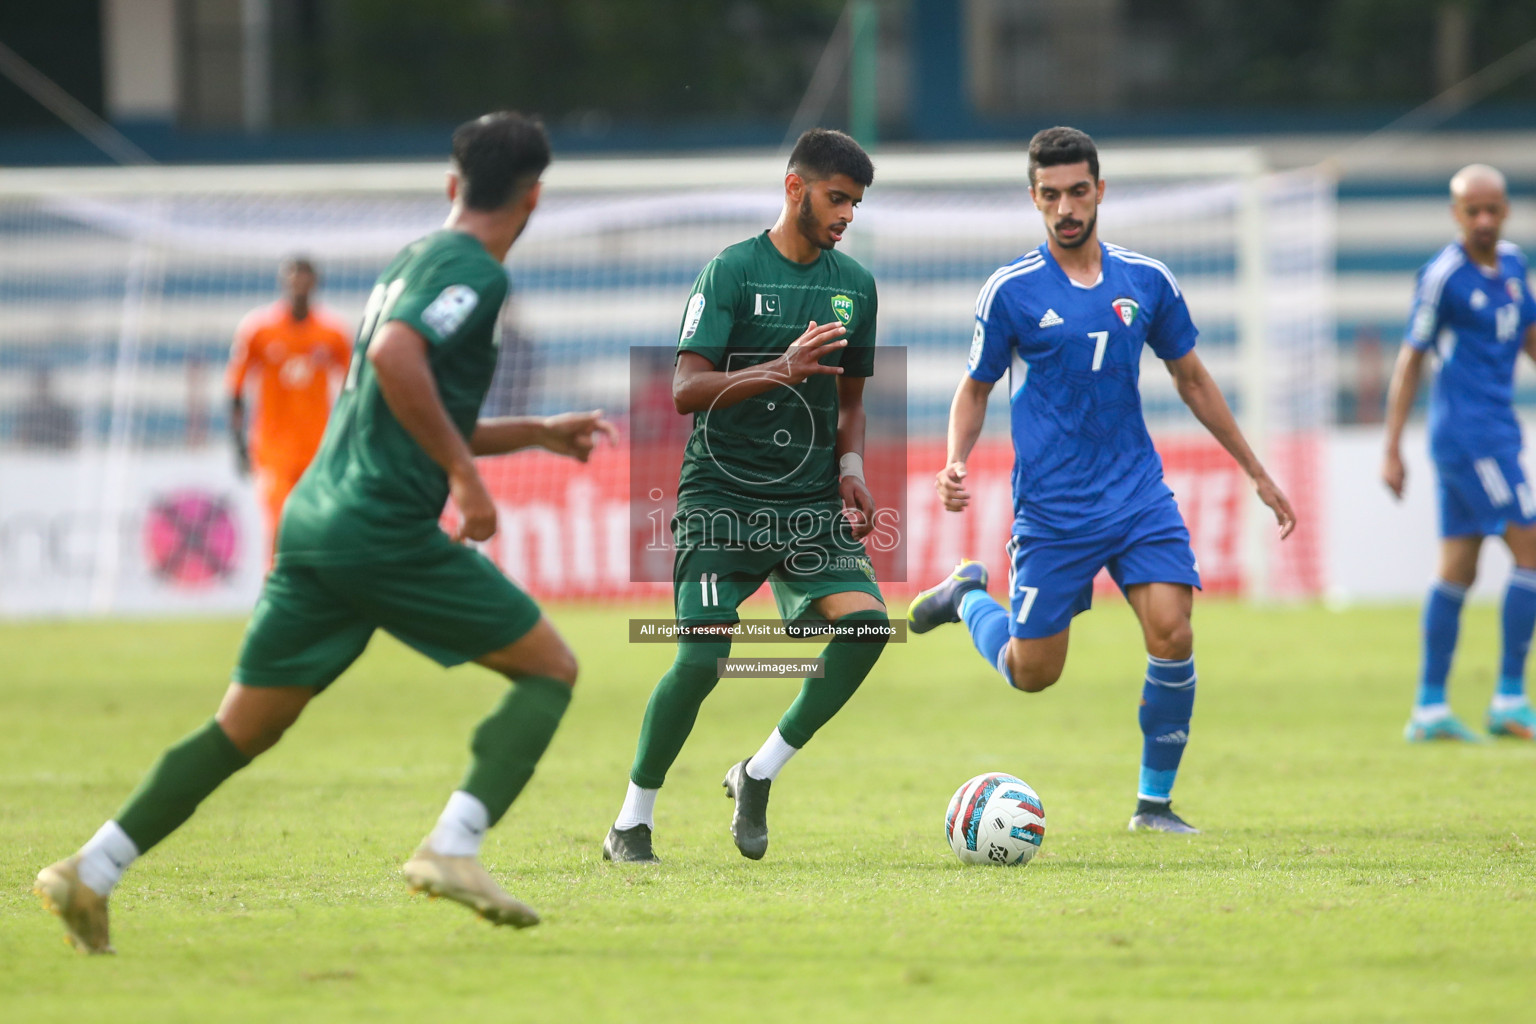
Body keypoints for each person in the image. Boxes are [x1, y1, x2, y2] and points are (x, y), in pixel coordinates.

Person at [35, 111, 617, 954]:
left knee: (246, 725)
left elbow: (402, 400)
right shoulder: (474, 274)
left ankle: (91, 868)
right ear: (533, 198)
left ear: (454, 186)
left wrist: (531, 432)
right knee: (550, 670)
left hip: (316, 519)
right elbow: (394, 361)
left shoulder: (412, 259)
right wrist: (464, 477)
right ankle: (453, 848)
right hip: (379, 528)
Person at [907, 126, 1295, 834]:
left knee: (1173, 633)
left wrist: (1256, 471)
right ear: (1034, 199)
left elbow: (1193, 377)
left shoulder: (1146, 280)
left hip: (1137, 493)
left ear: (1099, 191)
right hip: (1054, 509)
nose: (1065, 207)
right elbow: (975, 387)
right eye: (1050, 195)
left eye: (1077, 191)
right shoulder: (1011, 291)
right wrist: (954, 458)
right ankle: (967, 596)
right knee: (1034, 674)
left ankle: (1154, 805)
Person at [603, 129, 889, 864]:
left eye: (855, 203)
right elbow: (685, 390)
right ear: (795, 188)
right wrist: (782, 369)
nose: (847, 214)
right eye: (836, 198)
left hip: (810, 506)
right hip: (721, 500)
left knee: (865, 631)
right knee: (702, 662)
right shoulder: (730, 272)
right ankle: (632, 820)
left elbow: (852, 400)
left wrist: (851, 466)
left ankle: (757, 774)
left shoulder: (855, 286)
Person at [1382, 163, 1536, 743]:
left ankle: (1428, 707)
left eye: (1493, 209)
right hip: (1472, 436)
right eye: (1472, 211)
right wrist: (1393, 446)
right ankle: (1510, 699)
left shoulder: (1516, 267)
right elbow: (1410, 359)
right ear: (1455, 214)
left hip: (1492, 431)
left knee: (1458, 567)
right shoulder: (1444, 277)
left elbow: (1528, 336)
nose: (1484, 220)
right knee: (1531, 545)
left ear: (1506, 209)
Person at [226, 256, 352, 564]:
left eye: (305, 276)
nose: (299, 283)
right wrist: (238, 444)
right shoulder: (259, 329)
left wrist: (348, 439)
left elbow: (353, 388)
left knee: (318, 526)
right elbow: (236, 389)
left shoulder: (332, 332)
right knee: (279, 525)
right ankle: (276, 597)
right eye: (293, 276)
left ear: (315, 282)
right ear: (284, 281)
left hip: (317, 448)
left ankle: (315, 599)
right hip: (272, 450)